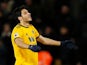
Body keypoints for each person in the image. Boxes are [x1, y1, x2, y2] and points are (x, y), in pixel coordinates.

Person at [11, 5, 76, 65]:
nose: (29, 14)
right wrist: (30, 46)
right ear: (20, 18)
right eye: (25, 13)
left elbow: (43, 40)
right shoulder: (17, 29)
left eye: (28, 12)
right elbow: (18, 42)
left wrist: (61, 43)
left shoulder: (31, 27)